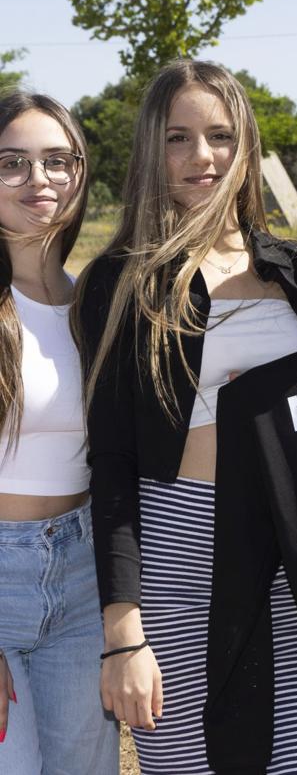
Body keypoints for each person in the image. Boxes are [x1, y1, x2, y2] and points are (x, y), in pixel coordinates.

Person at [73, 60, 297, 774]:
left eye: (220, 135)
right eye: (178, 138)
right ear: (150, 152)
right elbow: (113, 462)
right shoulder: (120, 280)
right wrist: (123, 631)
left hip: (291, 559)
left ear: (246, 146)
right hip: (175, 556)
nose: (203, 157)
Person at [0, 92, 119, 773]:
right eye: (12, 163)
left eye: (56, 161)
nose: (38, 180)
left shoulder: (91, 302)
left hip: (80, 578)